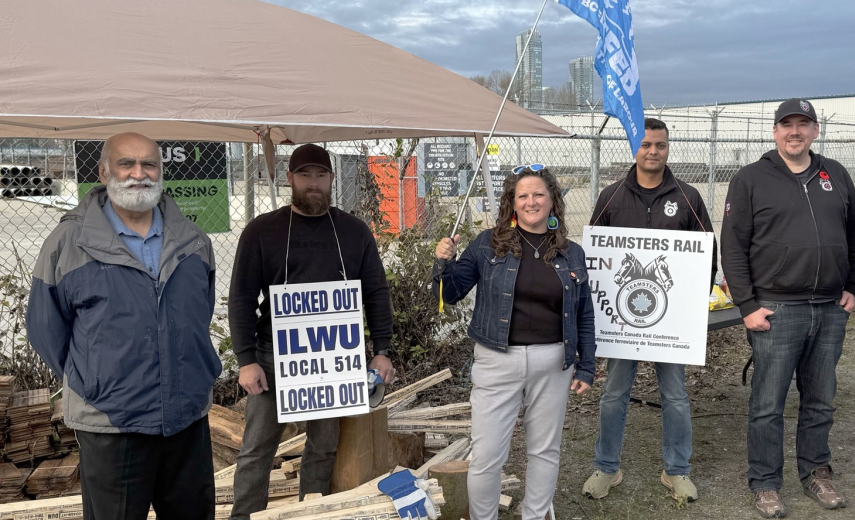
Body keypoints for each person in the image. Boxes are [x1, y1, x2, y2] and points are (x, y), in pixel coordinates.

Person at [27, 132, 221, 520]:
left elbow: (199, 313)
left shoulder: (193, 241)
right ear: (103, 171)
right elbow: (46, 329)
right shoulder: (69, 242)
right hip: (111, 421)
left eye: (149, 164)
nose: (139, 174)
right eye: (126, 164)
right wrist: (95, 380)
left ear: (161, 172)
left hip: (185, 419)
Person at [228, 144, 396, 520]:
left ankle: (312, 513)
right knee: (257, 449)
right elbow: (240, 297)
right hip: (273, 359)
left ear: (332, 179)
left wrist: (381, 349)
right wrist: (246, 360)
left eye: (321, 175)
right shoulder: (262, 231)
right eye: (305, 175)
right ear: (290, 179)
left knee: (323, 448)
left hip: (334, 359)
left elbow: (375, 292)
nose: (313, 184)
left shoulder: (353, 232)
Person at [721, 98, 855, 518]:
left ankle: (816, 472)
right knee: (768, 402)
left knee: (820, 398)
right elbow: (733, 248)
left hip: (829, 308)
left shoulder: (835, 175)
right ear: (775, 131)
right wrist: (747, 305)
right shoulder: (750, 179)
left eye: (804, 124)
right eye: (787, 124)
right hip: (775, 309)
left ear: (816, 131)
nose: (795, 132)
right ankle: (765, 483)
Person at [434, 165, 595, 520]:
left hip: (553, 362)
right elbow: (450, 293)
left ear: (553, 201)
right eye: (523, 195)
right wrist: (442, 263)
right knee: (488, 454)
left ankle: (535, 515)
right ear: (512, 202)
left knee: (544, 451)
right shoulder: (488, 245)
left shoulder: (572, 253)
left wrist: (586, 364)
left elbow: (584, 313)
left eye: (539, 194)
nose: (531, 201)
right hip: (496, 360)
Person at [581, 118, 716, 502]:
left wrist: (691, 307)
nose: (653, 151)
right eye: (646, 145)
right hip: (623, 322)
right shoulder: (611, 195)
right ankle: (607, 468)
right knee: (612, 394)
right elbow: (595, 256)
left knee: (675, 396)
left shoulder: (688, 196)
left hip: (669, 323)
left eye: (660, 145)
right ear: (634, 149)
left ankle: (676, 471)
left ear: (668, 148)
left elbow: (707, 255)